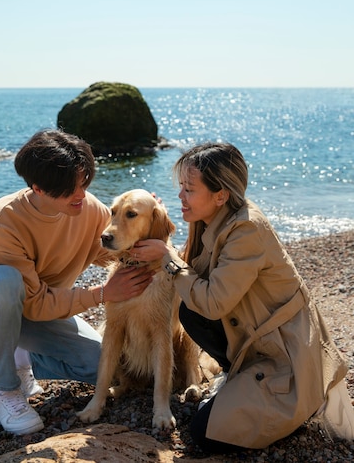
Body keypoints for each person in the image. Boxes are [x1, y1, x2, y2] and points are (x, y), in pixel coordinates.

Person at [130, 141, 354, 453]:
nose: (180, 196)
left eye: (189, 189)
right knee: (190, 313)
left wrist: (167, 256)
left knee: (203, 433)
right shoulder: (210, 219)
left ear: (220, 195)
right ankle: (233, 376)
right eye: (180, 187)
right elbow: (192, 274)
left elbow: (212, 302)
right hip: (255, 340)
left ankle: (300, 406)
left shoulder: (248, 229)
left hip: (285, 355)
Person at [0, 129, 153, 435]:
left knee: (107, 367)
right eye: (71, 188)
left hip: (37, 314)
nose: (81, 194)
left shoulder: (89, 208)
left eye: (84, 183)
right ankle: (6, 391)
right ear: (38, 188)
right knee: (5, 279)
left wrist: (146, 224)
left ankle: (23, 356)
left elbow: (113, 254)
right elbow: (35, 302)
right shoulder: (2, 222)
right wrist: (101, 293)